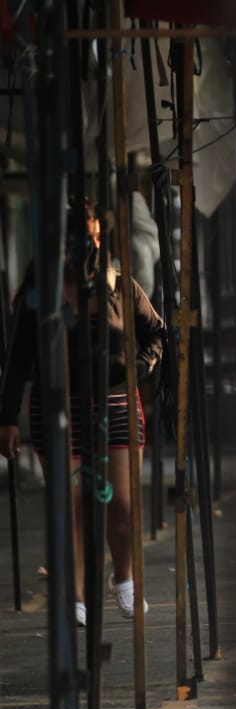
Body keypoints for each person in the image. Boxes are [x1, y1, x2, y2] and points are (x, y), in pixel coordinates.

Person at [0, 201, 165, 627]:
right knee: (72, 503)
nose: (87, 247)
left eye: (93, 237)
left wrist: (140, 366)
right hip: (59, 407)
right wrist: (7, 416)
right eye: (78, 240)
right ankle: (75, 595)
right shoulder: (42, 293)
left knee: (124, 508)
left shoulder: (120, 286)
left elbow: (158, 334)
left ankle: (123, 578)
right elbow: (17, 357)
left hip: (116, 403)